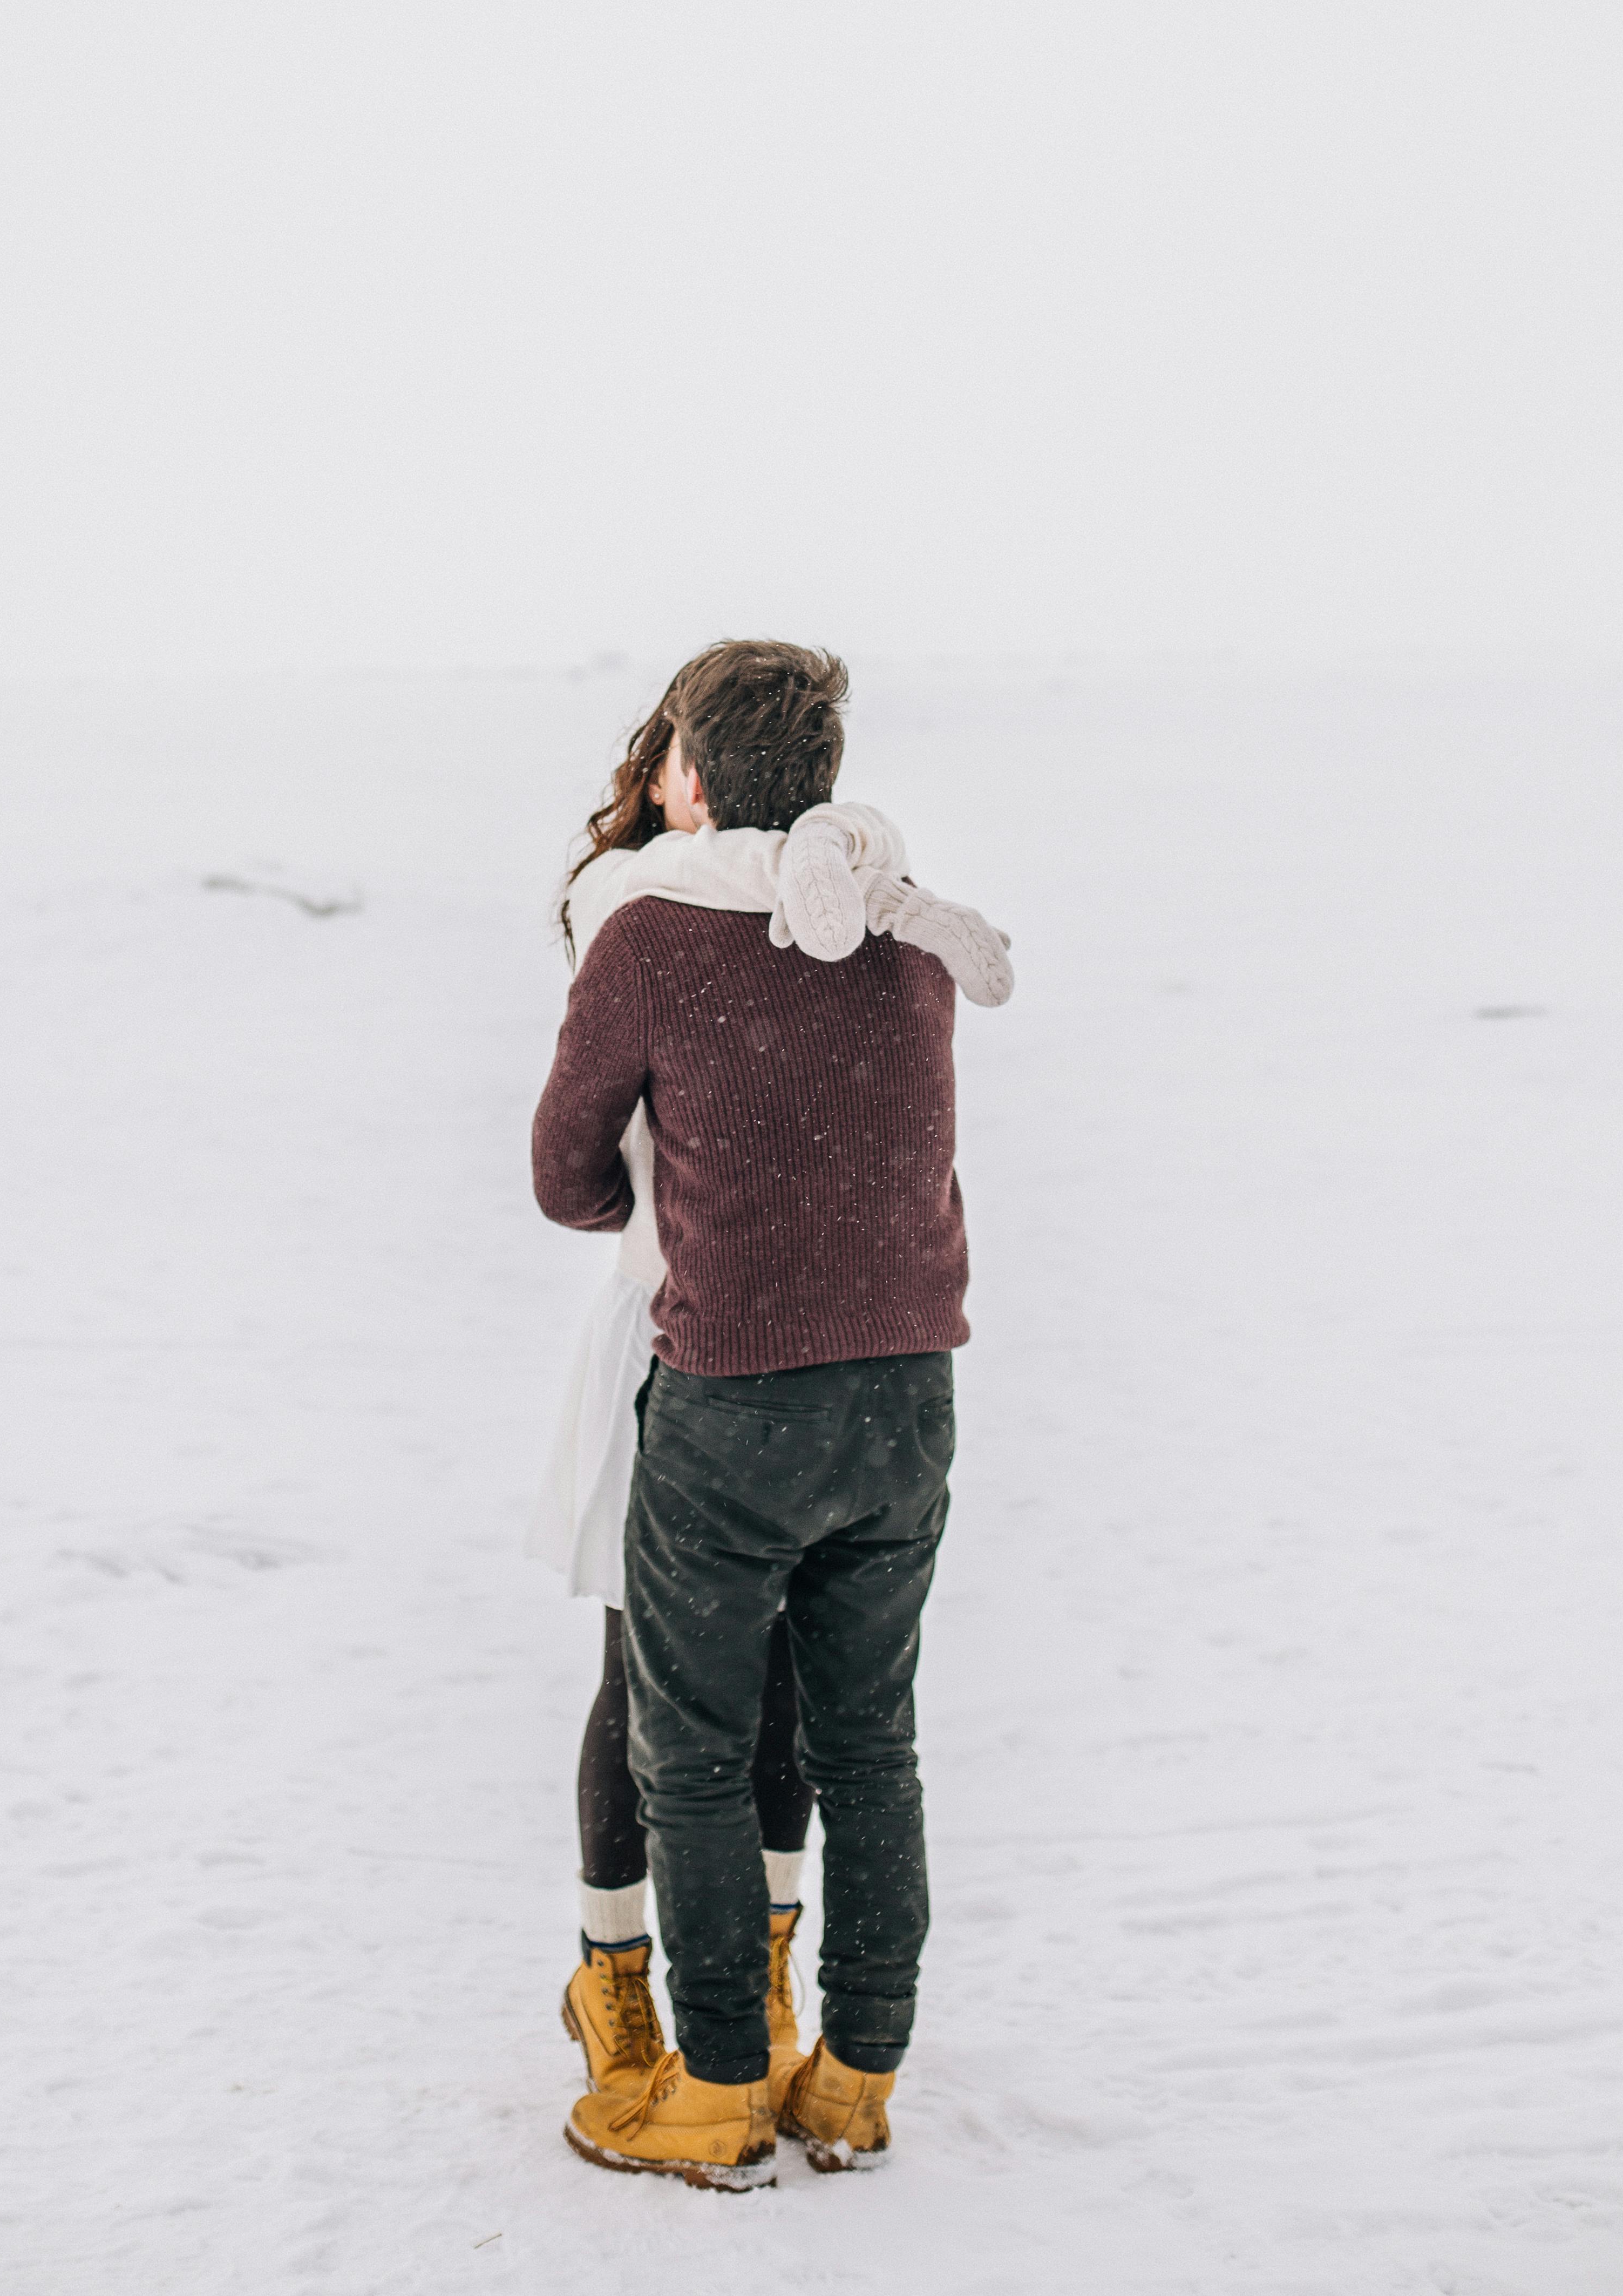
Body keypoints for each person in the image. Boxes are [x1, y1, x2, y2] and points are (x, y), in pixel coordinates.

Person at [531, 639, 1009, 2189]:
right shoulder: (904, 926)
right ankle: (854, 2080)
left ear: (686, 775)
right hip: (908, 1394)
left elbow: (563, 1171)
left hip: (735, 1394)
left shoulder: (654, 936)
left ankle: (718, 2088)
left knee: (693, 1748)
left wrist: (657, 1207)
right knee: (871, 1752)